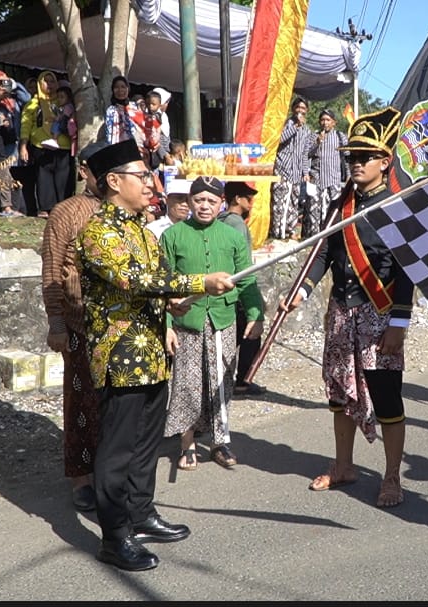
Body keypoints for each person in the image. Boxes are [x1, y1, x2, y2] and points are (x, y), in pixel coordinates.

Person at [77, 140, 234, 571]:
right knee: (117, 449)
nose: (151, 183)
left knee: (147, 444)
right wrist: (200, 283)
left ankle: (141, 514)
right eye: (142, 175)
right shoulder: (98, 232)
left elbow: (161, 283)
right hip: (120, 358)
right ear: (113, 181)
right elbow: (137, 280)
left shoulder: (143, 232)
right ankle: (114, 536)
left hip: (153, 355)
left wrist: (174, 303)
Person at [281, 106, 412, 508]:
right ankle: (344, 466)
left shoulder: (397, 205)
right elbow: (324, 253)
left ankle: (392, 476)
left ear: (384, 161)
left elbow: (409, 268)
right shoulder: (341, 204)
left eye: (363, 156)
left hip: (380, 313)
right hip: (341, 312)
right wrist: (302, 289)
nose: (354, 162)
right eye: (350, 156)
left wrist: (400, 322)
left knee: (387, 398)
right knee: (339, 393)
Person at [161, 177, 264, 471]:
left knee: (221, 382)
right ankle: (188, 443)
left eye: (211, 201)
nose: (204, 206)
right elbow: (163, 286)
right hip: (187, 321)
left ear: (221, 204)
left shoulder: (232, 236)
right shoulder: (173, 236)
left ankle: (220, 441)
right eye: (199, 200)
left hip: (223, 320)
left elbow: (247, 279)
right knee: (187, 384)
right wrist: (167, 324)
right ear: (189, 203)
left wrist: (256, 314)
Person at [40, 141, 108, 512]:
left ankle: (112, 473)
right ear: (84, 171)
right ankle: (82, 478)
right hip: (81, 325)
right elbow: (53, 270)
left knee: (116, 406)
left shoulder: (124, 211)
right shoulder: (66, 212)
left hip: (122, 328)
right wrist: (57, 323)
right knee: (81, 402)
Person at [220, 181, 268, 396]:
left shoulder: (220, 221)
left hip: (226, 286)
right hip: (239, 287)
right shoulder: (236, 223)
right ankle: (242, 380)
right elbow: (242, 262)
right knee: (250, 333)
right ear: (237, 199)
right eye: (248, 198)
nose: (251, 202)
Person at [20, 71, 72, 217]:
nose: (49, 84)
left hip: (63, 146)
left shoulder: (63, 101)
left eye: (52, 81)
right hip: (40, 146)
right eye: (46, 81)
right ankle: (46, 209)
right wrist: (23, 145)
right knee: (44, 178)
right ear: (39, 84)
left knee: (63, 178)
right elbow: (25, 126)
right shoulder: (32, 104)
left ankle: (63, 209)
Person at [271, 97, 313, 239]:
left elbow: (305, 153)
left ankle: (289, 232)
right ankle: (278, 234)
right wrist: (295, 127)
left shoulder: (307, 130)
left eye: (303, 108)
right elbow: (279, 140)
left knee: (294, 205)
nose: (300, 110)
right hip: (283, 170)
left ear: (306, 111)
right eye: (298, 107)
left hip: (296, 173)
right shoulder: (285, 123)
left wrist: (305, 172)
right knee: (280, 203)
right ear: (293, 109)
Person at [305, 108, 348, 238]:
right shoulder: (313, 136)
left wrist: (349, 177)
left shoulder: (341, 137)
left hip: (333, 180)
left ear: (334, 122)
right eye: (322, 120)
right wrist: (317, 143)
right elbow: (306, 154)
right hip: (316, 179)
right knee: (313, 212)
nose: (325, 123)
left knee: (332, 210)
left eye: (328, 120)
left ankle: (330, 238)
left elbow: (347, 157)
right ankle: (312, 239)